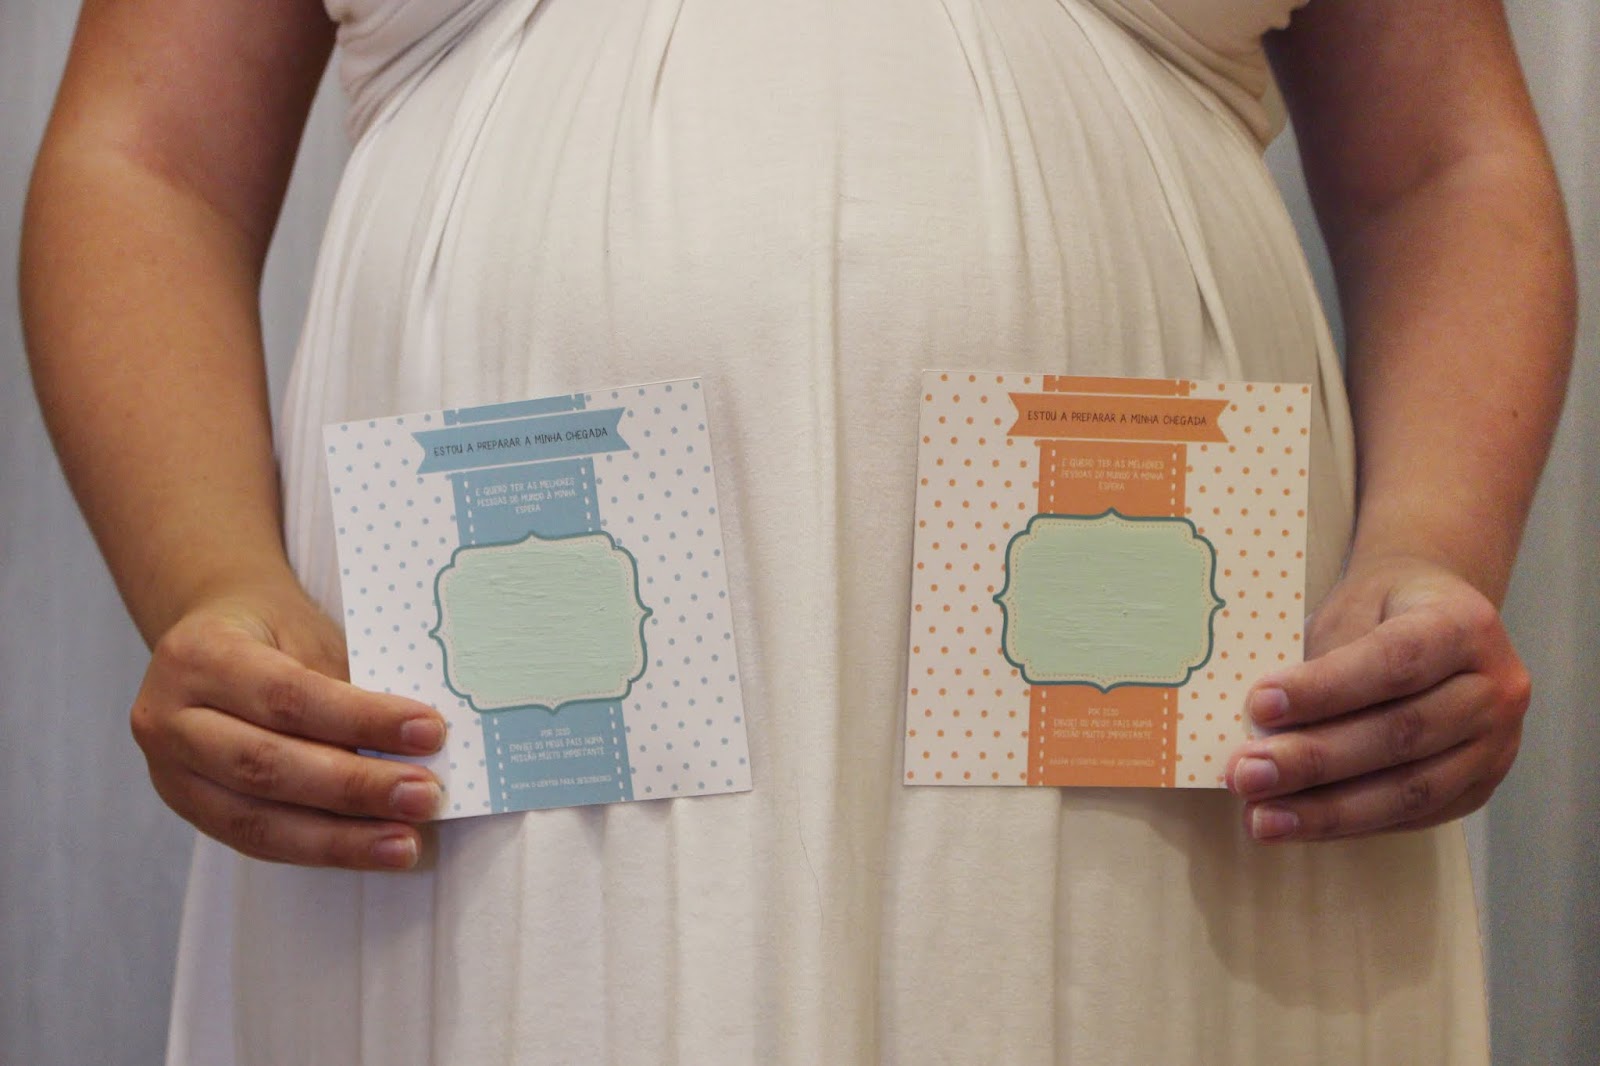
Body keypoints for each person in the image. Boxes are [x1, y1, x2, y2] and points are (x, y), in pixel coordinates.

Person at [21, 0, 1574, 1062]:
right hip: (479, 752)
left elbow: (1443, 159)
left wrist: (1431, 545)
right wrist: (212, 577)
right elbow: (148, 157)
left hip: (1162, 748)